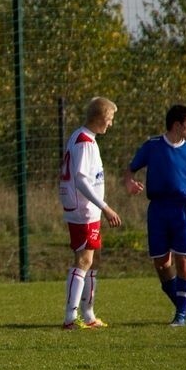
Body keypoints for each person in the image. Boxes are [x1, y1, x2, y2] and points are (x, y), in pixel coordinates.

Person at [123, 104, 186, 327]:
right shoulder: (153, 146)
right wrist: (129, 183)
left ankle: (180, 315)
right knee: (161, 263)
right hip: (159, 210)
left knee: (183, 261)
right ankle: (182, 304)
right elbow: (130, 169)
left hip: (185, 210)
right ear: (177, 125)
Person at [59, 97, 122, 330]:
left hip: (85, 209)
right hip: (84, 210)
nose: (111, 124)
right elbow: (81, 179)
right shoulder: (85, 142)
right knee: (84, 260)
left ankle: (88, 314)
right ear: (99, 117)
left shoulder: (81, 136)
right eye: (110, 119)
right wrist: (104, 206)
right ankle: (70, 317)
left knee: (93, 260)